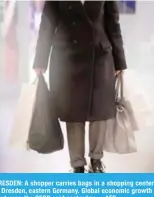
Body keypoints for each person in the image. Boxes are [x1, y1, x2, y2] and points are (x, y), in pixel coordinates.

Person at [33, 1, 127, 173]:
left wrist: (119, 60)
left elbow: (113, 24)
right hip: (67, 56)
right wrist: (40, 60)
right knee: (73, 113)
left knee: (99, 111)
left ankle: (96, 160)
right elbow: (47, 23)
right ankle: (77, 164)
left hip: (99, 56)